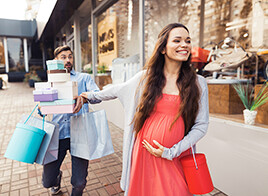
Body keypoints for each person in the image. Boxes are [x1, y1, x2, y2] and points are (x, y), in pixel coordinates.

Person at [81, 23, 209, 195]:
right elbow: (116, 90)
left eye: (187, 41)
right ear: (163, 48)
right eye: (177, 40)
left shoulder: (198, 83)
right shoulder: (146, 78)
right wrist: (87, 96)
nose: (184, 45)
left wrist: (172, 151)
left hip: (176, 156)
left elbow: (201, 125)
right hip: (144, 153)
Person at [41, 45, 101, 195]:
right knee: (47, 181)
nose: (68, 60)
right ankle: (57, 178)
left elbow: (98, 95)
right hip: (57, 134)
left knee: (79, 182)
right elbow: (43, 106)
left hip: (80, 133)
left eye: (70, 56)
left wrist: (84, 98)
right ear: (56, 60)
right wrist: (41, 108)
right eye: (63, 57)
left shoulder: (84, 78)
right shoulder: (51, 81)